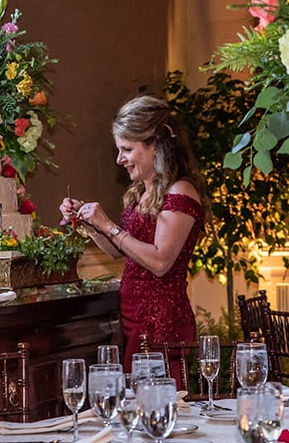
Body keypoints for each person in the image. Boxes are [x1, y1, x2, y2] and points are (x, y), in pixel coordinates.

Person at [60, 95, 205, 373]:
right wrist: (90, 224)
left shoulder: (180, 192)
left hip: (161, 320)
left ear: (156, 147)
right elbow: (119, 250)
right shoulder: (142, 192)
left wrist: (109, 225)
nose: (119, 159)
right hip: (134, 317)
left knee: (158, 403)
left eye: (126, 149)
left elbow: (161, 263)